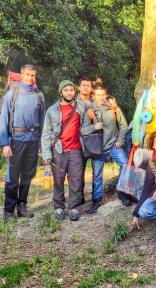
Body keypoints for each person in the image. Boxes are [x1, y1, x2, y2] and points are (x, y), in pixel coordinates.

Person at [41, 80, 93, 221]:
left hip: (76, 149)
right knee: (58, 180)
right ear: (61, 92)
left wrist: (108, 103)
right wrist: (46, 154)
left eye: (71, 90)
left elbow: (95, 105)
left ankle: (73, 207)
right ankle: (58, 207)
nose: (69, 92)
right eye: (66, 90)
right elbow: (46, 133)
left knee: (75, 179)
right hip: (58, 150)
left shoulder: (80, 106)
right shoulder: (52, 110)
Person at [0, 64, 45, 221]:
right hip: (15, 141)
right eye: (27, 75)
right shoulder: (12, 95)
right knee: (12, 176)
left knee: (28, 175)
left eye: (33, 75)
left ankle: (22, 206)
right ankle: (8, 210)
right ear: (21, 75)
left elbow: (42, 120)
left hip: (33, 140)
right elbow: (4, 120)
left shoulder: (39, 96)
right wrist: (5, 143)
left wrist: (41, 144)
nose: (30, 78)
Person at [80, 84, 129, 214]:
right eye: (98, 95)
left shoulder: (113, 108)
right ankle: (97, 199)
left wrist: (120, 141)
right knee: (97, 175)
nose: (101, 98)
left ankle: (121, 191)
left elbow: (123, 125)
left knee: (125, 165)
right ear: (93, 96)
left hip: (113, 145)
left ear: (106, 95)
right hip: (97, 149)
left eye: (103, 95)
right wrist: (94, 127)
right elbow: (83, 130)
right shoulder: (90, 111)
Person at [77, 77, 94, 205]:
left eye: (88, 85)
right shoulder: (73, 102)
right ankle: (79, 195)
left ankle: (96, 195)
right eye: (83, 85)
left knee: (96, 169)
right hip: (78, 142)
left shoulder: (96, 103)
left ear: (91, 88)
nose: (85, 88)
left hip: (94, 141)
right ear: (79, 87)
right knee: (79, 170)